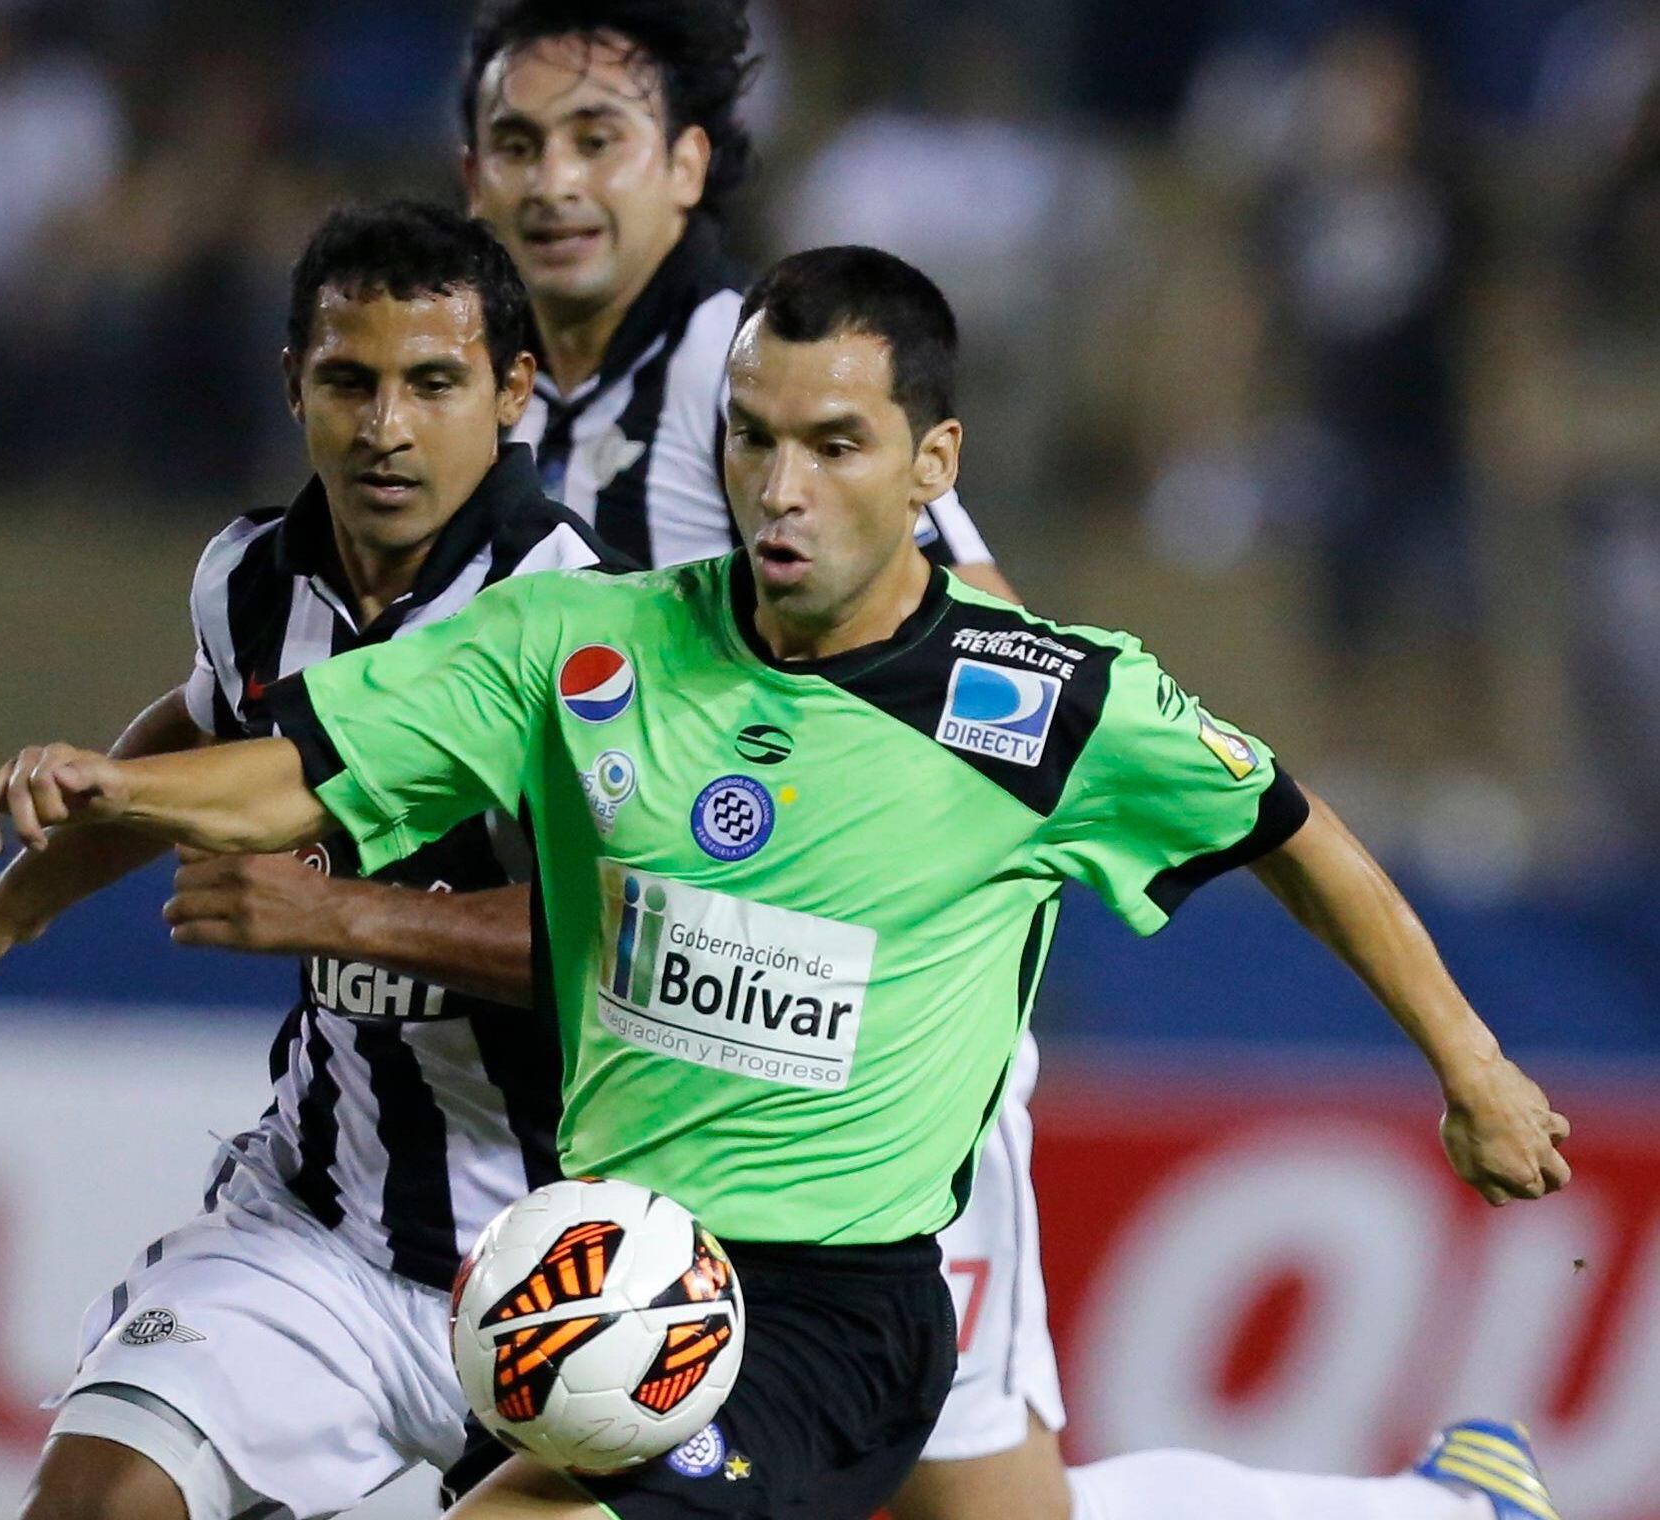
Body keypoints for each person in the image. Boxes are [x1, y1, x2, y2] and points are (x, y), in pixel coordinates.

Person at [0, 248, 1573, 1520]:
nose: (779, 486)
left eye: (833, 445)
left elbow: (1292, 830)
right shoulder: (586, 640)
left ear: (931, 459)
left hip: (832, 1309)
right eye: (749, 437)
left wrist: (1474, 1067)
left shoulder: (1044, 703)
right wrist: (119, 788)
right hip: (608, 1255)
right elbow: (305, 762)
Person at [458, 9, 1565, 1519]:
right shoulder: (536, 406)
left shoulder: (755, 360)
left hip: (871, 1064)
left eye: (597, 143)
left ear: (687, 166)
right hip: (697, 1068)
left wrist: (927, 885)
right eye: (517, 144)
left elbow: (972, 637)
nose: (551, 186)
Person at [0, 201, 619, 1520]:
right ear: (293, 386)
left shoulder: (597, 634)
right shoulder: (254, 580)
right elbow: (205, 721)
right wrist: (8, 908)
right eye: (350, 380)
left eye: (432, 384)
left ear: (510, 392)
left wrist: (345, 918)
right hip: (327, 1226)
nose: (385, 426)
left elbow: (629, 955)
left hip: (578, 1269)